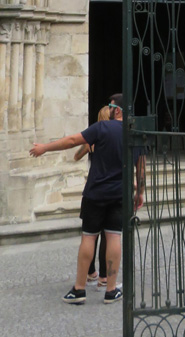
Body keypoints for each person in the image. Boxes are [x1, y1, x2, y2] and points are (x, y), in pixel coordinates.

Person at [29, 93, 141, 306]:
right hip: (119, 194)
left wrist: (44, 148)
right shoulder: (134, 133)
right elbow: (141, 169)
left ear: (116, 110)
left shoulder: (101, 128)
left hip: (95, 193)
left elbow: (72, 142)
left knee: (89, 237)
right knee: (114, 238)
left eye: (110, 106)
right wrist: (141, 191)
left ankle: (79, 289)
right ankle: (110, 290)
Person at [74, 104, 111, 287]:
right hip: (112, 190)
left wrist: (87, 145)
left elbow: (76, 156)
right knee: (108, 236)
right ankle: (104, 277)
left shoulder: (94, 139)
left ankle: (90, 273)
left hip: (94, 188)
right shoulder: (115, 137)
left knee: (90, 234)